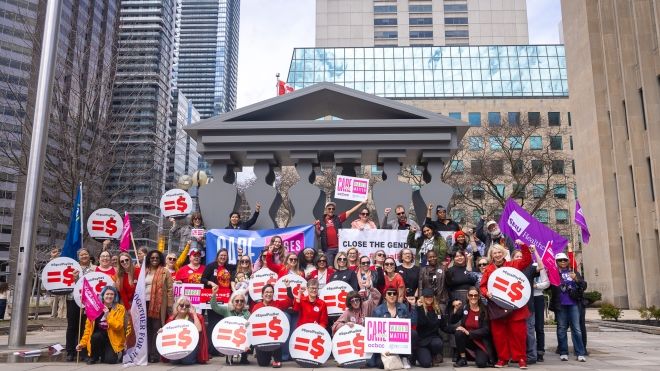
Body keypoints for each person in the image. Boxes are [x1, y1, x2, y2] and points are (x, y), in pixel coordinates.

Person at [480, 242, 533, 369]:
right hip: (497, 308)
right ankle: (502, 359)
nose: (497, 255)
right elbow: (482, 286)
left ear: (503, 253)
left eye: (499, 252)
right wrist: (487, 293)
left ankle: (521, 358)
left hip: (515, 308)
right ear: (491, 255)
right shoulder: (489, 269)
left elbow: (527, 260)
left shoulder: (512, 264)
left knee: (518, 334)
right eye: (494, 253)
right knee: (499, 335)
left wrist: (523, 246)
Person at [549, 252, 587, 362]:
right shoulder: (553, 273)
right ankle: (563, 352)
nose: (563, 262)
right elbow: (547, 286)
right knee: (561, 329)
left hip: (573, 304)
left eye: (565, 260)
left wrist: (576, 279)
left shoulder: (573, 271)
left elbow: (584, 285)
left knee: (577, 329)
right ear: (556, 262)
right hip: (560, 305)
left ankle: (580, 352)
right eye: (560, 260)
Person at [76, 286, 127, 364]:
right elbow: (88, 329)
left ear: (115, 296)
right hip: (98, 338)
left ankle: (105, 354)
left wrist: (107, 316)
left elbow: (119, 326)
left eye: (112, 294)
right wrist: (82, 343)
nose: (109, 296)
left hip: (112, 339)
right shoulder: (95, 309)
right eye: (107, 294)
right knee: (96, 336)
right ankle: (94, 356)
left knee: (110, 361)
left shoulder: (120, 308)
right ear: (103, 295)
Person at [370, 287, 418, 369]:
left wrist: (413, 306)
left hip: (399, 342)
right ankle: (394, 357)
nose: (392, 295)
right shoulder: (378, 311)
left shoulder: (402, 307)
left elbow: (413, 322)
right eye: (389, 293)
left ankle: (404, 357)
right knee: (381, 365)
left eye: (394, 293)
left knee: (413, 333)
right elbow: (374, 332)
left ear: (397, 296)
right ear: (385, 296)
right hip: (385, 343)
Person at [201, 247, 237, 357]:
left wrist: (239, 256)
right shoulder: (211, 266)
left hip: (226, 299)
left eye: (225, 256)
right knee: (212, 323)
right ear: (217, 256)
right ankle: (212, 349)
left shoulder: (229, 267)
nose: (223, 257)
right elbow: (202, 279)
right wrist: (211, 283)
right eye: (221, 255)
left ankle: (221, 348)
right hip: (214, 298)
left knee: (223, 324)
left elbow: (239, 266)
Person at [448, 287, 495, 368]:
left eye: (475, 295)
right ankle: (463, 359)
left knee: (481, 364)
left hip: (480, 342)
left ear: (479, 296)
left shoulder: (484, 310)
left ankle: (477, 355)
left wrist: (469, 332)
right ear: (467, 296)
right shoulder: (464, 307)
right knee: (459, 332)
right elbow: (452, 321)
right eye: (471, 295)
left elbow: (486, 330)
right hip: (468, 340)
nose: (473, 297)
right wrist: (455, 309)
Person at [252, 283, 293, 368]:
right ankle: (267, 355)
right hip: (262, 339)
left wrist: (288, 287)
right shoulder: (256, 307)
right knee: (263, 364)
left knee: (278, 337)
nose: (269, 294)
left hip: (275, 337)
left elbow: (290, 300)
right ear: (262, 294)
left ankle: (277, 358)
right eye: (266, 292)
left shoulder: (277, 304)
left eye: (271, 292)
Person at [66, 248, 97, 362]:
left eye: (86, 254)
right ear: (78, 257)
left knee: (86, 326)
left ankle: (84, 351)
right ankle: (70, 352)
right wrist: (73, 279)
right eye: (81, 254)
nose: (84, 256)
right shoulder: (72, 268)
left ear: (89, 255)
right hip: (73, 299)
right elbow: (65, 284)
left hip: (88, 302)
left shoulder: (94, 269)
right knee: (72, 326)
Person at [144, 250, 173, 363]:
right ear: (149, 259)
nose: (154, 260)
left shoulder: (165, 272)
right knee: (146, 328)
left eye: (157, 258)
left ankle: (154, 355)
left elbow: (170, 290)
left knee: (157, 328)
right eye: (152, 258)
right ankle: (146, 352)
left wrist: (169, 305)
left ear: (160, 259)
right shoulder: (145, 271)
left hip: (159, 304)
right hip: (145, 303)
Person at [210, 288, 251, 364]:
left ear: (244, 302)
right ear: (232, 301)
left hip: (241, 337)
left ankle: (244, 356)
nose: (239, 302)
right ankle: (229, 355)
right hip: (229, 337)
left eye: (242, 301)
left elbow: (249, 328)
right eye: (237, 301)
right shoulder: (227, 310)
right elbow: (214, 307)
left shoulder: (247, 313)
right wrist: (214, 295)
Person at [163, 296, 208, 365]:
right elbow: (166, 334)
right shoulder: (172, 319)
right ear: (176, 306)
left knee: (187, 362)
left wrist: (194, 314)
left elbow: (199, 329)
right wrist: (161, 331)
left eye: (187, 306)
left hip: (190, 346)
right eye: (181, 305)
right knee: (174, 362)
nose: (184, 307)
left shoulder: (193, 317)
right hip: (176, 346)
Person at [415, 288, 444, 367]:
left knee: (438, 343)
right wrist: (419, 308)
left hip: (433, 339)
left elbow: (444, 326)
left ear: (433, 297)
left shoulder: (437, 310)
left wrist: (456, 329)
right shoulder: (419, 308)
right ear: (423, 298)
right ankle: (418, 355)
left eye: (431, 296)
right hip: (422, 341)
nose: (429, 298)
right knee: (426, 364)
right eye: (426, 297)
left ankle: (434, 355)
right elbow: (422, 323)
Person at [531, 257, 549, 362]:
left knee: (539, 326)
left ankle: (540, 351)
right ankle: (530, 349)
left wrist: (535, 285)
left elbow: (546, 283)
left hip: (538, 298)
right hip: (527, 298)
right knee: (528, 327)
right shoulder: (525, 266)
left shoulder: (539, 267)